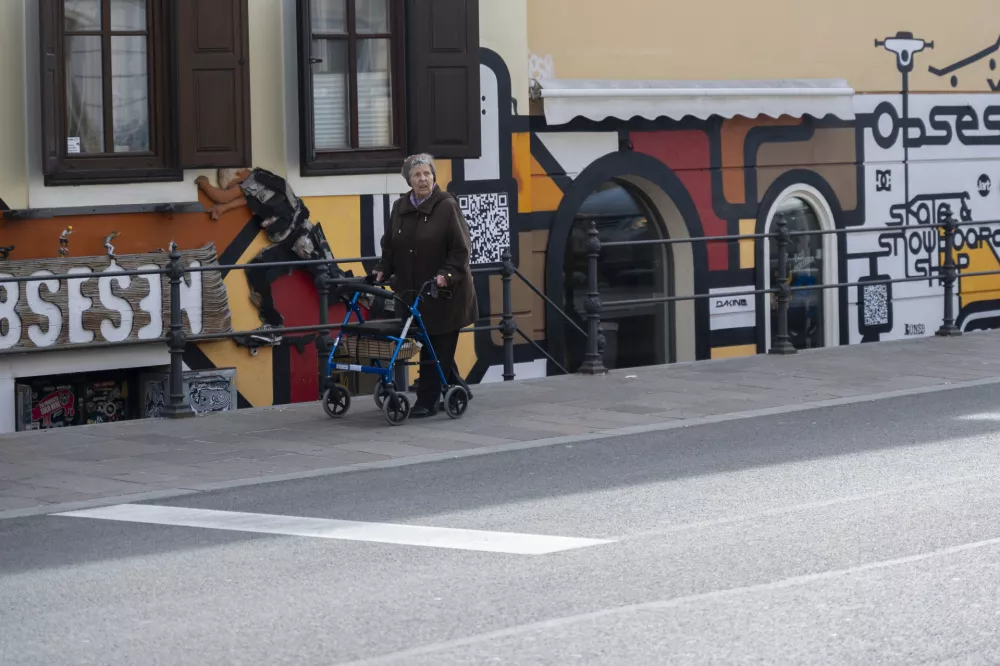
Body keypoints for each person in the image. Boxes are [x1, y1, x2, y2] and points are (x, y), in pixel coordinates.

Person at [374, 154, 478, 418]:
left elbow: (460, 250)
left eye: (427, 174)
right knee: (433, 344)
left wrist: (446, 275)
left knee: (439, 342)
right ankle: (458, 388)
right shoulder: (399, 207)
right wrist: (382, 269)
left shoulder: (446, 206)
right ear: (409, 179)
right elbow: (390, 247)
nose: (423, 179)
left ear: (434, 177)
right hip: (412, 293)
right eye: (417, 174)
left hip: (444, 293)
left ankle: (427, 401)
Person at [196, 168, 348, 344]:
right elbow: (244, 200)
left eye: (231, 185)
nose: (231, 188)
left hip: (302, 239)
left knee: (333, 279)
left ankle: (374, 299)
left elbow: (222, 196)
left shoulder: (252, 182)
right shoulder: (261, 181)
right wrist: (222, 209)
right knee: (256, 271)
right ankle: (273, 327)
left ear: (239, 174)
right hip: (288, 243)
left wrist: (203, 183)